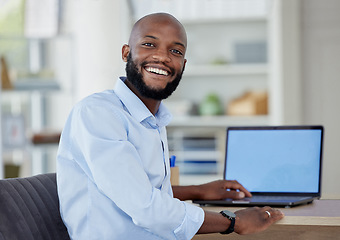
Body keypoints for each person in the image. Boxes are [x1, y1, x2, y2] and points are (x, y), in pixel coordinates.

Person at [57, 12, 284, 240]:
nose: (162, 57)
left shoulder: (153, 119)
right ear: (127, 52)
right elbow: (146, 207)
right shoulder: (98, 113)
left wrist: (198, 190)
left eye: (175, 51)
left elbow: (141, 189)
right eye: (149, 44)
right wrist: (232, 221)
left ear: (182, 65)